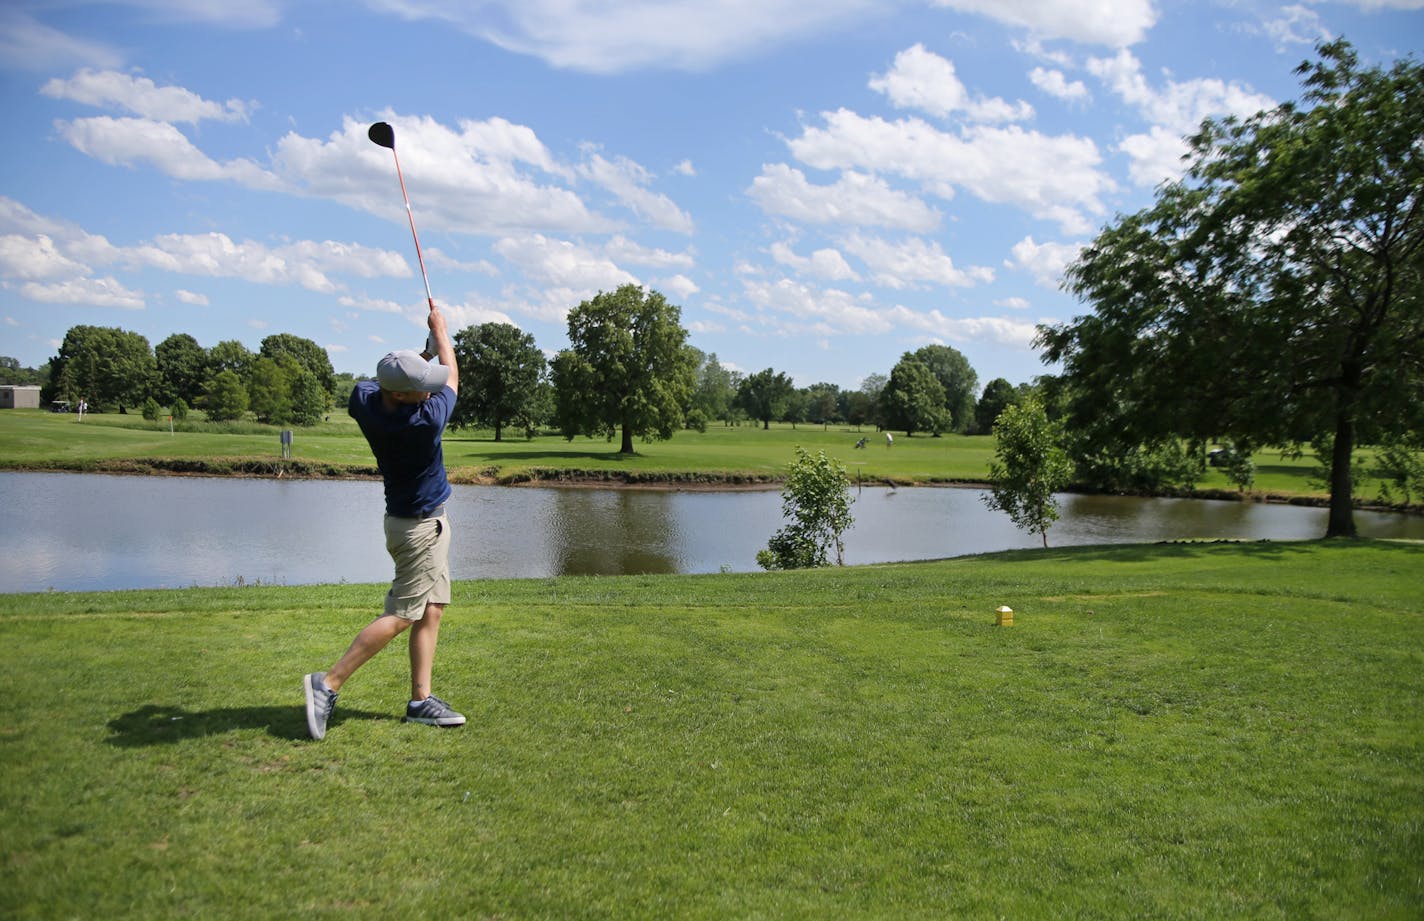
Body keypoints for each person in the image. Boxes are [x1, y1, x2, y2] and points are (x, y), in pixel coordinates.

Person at [303, 306, 464, 740]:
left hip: (409, 523)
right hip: (420, 531)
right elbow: (452, 377)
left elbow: (402, 379)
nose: (428, 393)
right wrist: (441, 333)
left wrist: (421, 356)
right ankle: (328, 683)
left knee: (432, 609)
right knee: (402, 615)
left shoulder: (365, 401)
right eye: (419, 390)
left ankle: (420, 700)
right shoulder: (424, 422)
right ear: (404, 397)